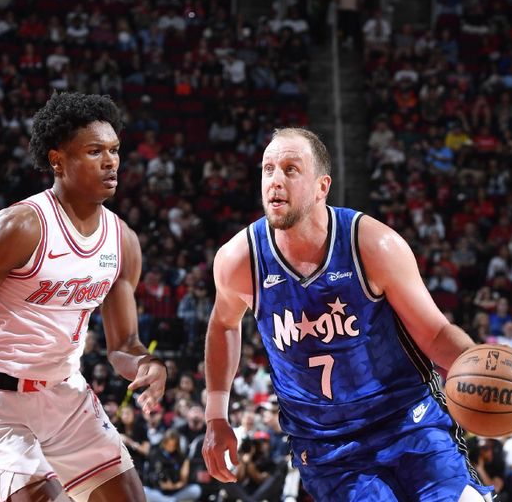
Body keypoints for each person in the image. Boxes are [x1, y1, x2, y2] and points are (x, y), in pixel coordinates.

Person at [202, 127, 495, 501]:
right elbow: (223, 324)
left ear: (322, 186)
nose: (275, 180)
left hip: (407, 421)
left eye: (291, 169)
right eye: (268, 168)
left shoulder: (373, 245)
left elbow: (435, 334)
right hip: (326, 447)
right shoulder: (239, 260)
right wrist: (215, 416)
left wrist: (481, 365)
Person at [0, 92, 167, 501]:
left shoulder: (123, 241)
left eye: (114, 150)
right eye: (94, 151)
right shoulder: (22, 226)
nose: (110, 162)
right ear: (58, 160)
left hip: (63, 393)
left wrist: (148, 364)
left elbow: (123, 345)